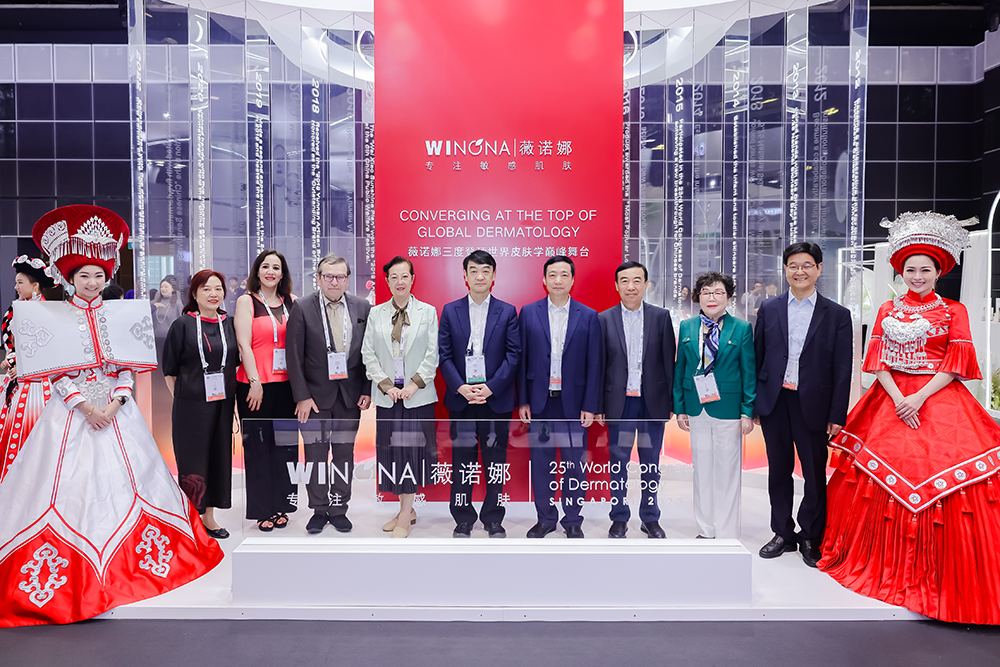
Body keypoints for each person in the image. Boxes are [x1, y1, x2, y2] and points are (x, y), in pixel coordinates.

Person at [0, 205, 221, 627]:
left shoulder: (119, 313)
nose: (92, 282)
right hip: (71, 414)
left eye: (99, 275)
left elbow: (125, 369)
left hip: (117, 413)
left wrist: (115, 404)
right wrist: (85, 407)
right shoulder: (54, 316)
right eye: (84, 275)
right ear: (70, 278)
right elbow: (57, 373)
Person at [820, 212, 1000, 624]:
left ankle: (945, 576)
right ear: (900, 271)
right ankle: (881, 561)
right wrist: (900, 397)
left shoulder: (954, 310)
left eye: (925, 270)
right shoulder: (887, 308)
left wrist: (918, 397)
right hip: (890, 398)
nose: (917, 277)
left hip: (937, 397)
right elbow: (877, 360)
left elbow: (956, 363)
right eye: (910, 270)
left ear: (939, 272)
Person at [753, 242, 852, 567]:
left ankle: (810, 535)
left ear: (819, 269)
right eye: (793, 265)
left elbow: (842, 368)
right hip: (775, 401)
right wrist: (754, 404)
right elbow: (758, 356)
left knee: (813, 473)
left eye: (807, 265)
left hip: (814, 404)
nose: (800, 271)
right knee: (778, 471)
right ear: (785, 270)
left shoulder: (837, 314)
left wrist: (837, 413)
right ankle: (782, 532)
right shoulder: (769, 308)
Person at [517, 255, 602, 539]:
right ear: (544, 280)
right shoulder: (529, 313)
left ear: (572, 280)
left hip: (574, 405)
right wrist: (524, 400)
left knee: (575, 464)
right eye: (552, 275)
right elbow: (522, 360)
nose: (558, 280)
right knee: (541, 465)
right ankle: (545, 519)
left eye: (564, 275)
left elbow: (595, 364)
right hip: (540, 404)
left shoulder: (588, 315)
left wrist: (590, 405)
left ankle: (573, 519)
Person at [286, 254, 371, 535]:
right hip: (313, 399)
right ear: (319, 279)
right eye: (328, 276)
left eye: (340, 276)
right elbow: (294, 356)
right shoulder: (302, 307)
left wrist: (366, 389)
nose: (334, 281)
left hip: (349, 397)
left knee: (344, 454)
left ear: (347, 279)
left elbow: (368, 353)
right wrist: (302, 396)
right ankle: (319, 510)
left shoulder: (362, 307)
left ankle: (339, 508)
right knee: (315, 456)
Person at [438, 250, 520, 538]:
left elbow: (513, 355)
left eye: (485, 270)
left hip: (495, 400)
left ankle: (493, 518)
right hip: (461, 400)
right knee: (462, 462)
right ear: (465, 275)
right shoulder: (450, 310)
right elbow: (444, 355)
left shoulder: (507, 311)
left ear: (494, 275)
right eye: (474, 270)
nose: (480, 276)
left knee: (495, 463)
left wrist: (491, 387)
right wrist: (461, 387)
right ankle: (462, 517)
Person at [361, 256, 439, 538]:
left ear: (412, 279)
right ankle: (406, 508)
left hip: (417, 396)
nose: (399, 281)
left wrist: (414, 385)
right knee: (392, 452)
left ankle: (405, 514)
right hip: (388, 397)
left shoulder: (427, 312)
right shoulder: (376, 313)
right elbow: (368, 353)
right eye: (394, 277)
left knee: (413, 452)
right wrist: (386, 385)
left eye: (404, 276)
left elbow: (432, 354)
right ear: (387, 281)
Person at [674, 272, 755, 539]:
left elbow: (749, 372)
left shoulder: (741, 328)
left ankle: (726, 531)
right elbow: (680, 368)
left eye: (718, 292)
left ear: (728, 298)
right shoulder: (687, 327)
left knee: (727, 472)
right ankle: (705, 529)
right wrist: (680, 407)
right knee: (702, 470)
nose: (712, 297)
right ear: (698, 297)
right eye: (706, 292)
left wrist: (747, 410)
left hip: (729, 408)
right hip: (696, 407)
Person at [596, 261, 674, 539]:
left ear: (646, 284)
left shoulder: (661, 316)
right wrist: (597, 406)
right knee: (618, 463)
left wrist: (671, 403)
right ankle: (619, 517)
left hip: (652, 402)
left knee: (650, 464)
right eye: (625, 281)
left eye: (637, 280)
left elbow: (669, 361)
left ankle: (650, 518)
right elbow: (599, 365)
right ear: (616, 286)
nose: (631, 286)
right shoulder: (603, 319)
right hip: (619, 404)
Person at [162, 270, 239, 540]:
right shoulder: (182, 325)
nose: (213, 294)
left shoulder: (230, 324)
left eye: (218, 288)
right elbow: (169, 370)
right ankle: (192, 517)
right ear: (194, 293)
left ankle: (209, 517)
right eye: (206, 289)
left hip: (222, 404)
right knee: (192, 460)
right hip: (191, 406)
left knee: (219, 456)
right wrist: (184, 398)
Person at [235, 249, 298, 532]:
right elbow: (244, 344)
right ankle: (262, 509)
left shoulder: (292, 302)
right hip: (255, 387)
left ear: (282, 274)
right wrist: (255, 381)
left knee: (285, 448)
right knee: (258, 449)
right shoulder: (246, 301)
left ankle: (282, 504)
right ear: (257, 271)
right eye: (265, 266)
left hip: (287, 388)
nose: (270, 272)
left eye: (276, 267)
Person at [0, 256, 54, 484]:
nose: (15, 287)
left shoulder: (46, 311)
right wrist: (9, 360)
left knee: (34, 429)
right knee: (12, 427)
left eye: (20, 282)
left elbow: (50, 349)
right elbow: (13, 345)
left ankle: (35, 480)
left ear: (35, 285)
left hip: (38, 383)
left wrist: (23, 366)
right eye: (16, 282)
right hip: (16, 381)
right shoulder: (14, 309)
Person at [151, 275, 183, 340]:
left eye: (166, 287)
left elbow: (182, 322)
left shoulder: (177, 303)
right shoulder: (154, 303)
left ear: (172, 288)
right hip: (155, 338)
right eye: (161, 287)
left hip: (171, 338)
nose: (163, 289)